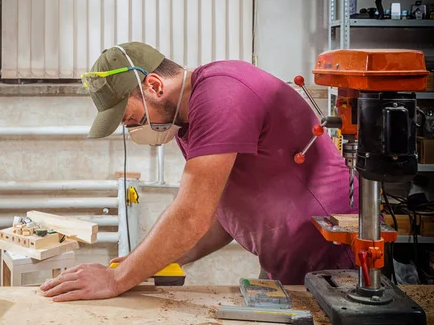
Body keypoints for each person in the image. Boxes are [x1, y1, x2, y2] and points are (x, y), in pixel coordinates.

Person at [40, 41, 357, 302]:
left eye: (130, 118)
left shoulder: (222, 95)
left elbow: (191, 216)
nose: (133, 129)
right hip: (289, 266)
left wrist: (115, 279)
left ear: (153, 85)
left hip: (336, 262)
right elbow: (221, 217)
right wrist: (140, 265)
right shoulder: (187, 124)